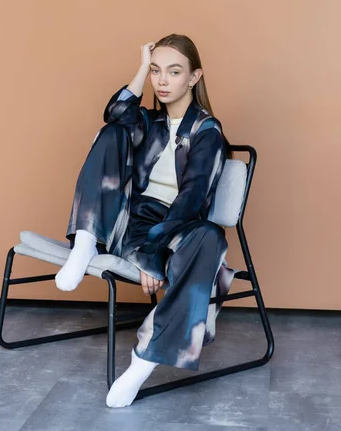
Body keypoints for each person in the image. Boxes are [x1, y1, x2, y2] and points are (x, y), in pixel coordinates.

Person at [55, 34, 235, 407]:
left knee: (211, 239)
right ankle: (86, 240)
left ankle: (143, 361)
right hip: (125, 223)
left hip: (173, 228)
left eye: (173, 72)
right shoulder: (148, 123)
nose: (162, 81)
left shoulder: (208, 133)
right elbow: (115, 112)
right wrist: (140, 66)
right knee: (111, 132)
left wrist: (153, 253)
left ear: (194, 77)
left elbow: (191, 202)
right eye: (156, 71)